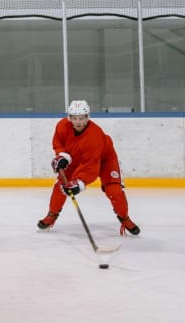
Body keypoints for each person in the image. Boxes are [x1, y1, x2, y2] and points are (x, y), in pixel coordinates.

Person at [38, 100, 140, 236]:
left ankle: (125, 219)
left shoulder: (94, 135)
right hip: (76, 157)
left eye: (81, 118)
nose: (78, 122)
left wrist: (79, 182)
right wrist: (61, 156)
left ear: (87, 117)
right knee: (61, 186)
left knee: (114, 191)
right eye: (74, 118)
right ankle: (52, 215)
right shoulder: (62, 125)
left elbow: (91, 167)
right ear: (69, 118)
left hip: (104, 160)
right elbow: (58, 143)